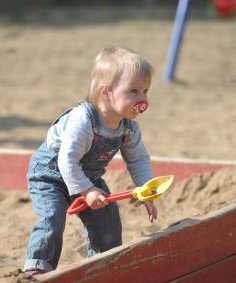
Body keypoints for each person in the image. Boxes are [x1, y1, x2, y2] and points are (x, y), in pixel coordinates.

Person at [23, 46, 157, 275]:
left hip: (87, 178)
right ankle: (37, 268)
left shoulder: (129, 128)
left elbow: (139, 159)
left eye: (145, 91)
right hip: (50, 174)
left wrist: (146, 189)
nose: (142, 99)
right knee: (52, 216)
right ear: (107, 93)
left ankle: (104, 262)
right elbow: (67, 161)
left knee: (107, 217)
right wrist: (87, 190)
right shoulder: (83, 121)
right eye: (133, 91)